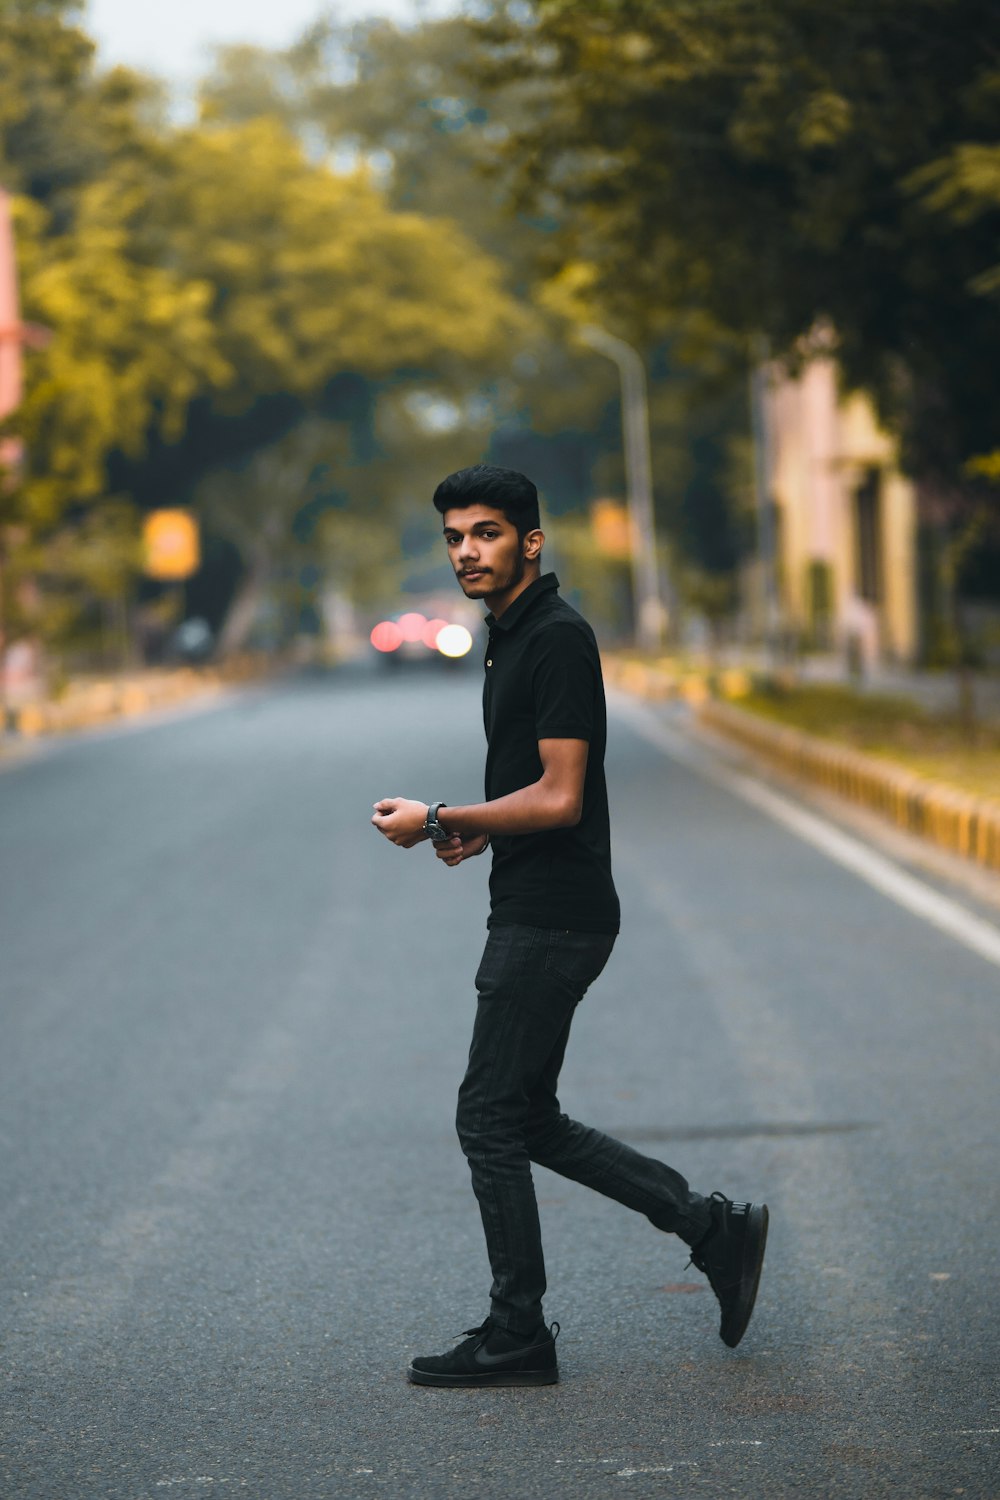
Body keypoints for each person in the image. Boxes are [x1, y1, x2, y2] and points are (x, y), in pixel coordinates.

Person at [372, 463, 767, 1388]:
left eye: (487, 534)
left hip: (555, 917)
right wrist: (471, 830)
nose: (468, 551)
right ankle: (713, 1228)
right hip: (542, 903)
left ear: (531, 542)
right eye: (455, 538)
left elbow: (560, 797)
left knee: (487, 1118)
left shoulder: (554, 638)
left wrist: (441, 818)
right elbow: (535, 790)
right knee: (526, 1117)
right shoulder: (510, 637)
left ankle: (518, 1332)